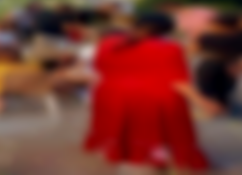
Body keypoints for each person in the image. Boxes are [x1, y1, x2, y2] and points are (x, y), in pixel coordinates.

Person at [84, 13, 215, 173]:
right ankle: (157, 160)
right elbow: (179, 81)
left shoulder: (108, 43)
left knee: (125, 131)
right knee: (159, 134)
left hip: (112, 95)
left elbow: (98, 67)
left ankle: (132, 159)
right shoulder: (171, 48)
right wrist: (202, 101)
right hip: (154, 98)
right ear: (166, 31)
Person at [194, 13, 242, 115]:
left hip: (215, 65)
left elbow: (195, 49)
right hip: (221, 65)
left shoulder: (208, 36)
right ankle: (218, 106)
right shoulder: (240, 36)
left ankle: (214, 107)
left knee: (214, 89)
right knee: (219, 88)